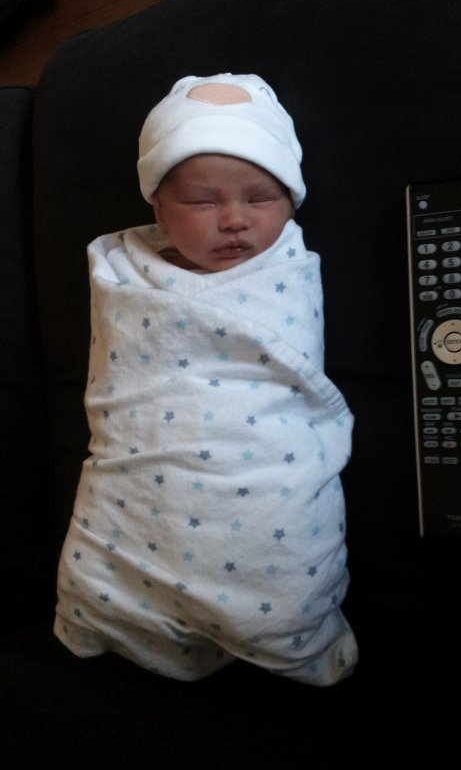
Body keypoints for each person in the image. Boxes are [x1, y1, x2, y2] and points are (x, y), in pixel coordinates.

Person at [53, 73, 358, 686]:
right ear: (159, 209)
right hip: (139, 480)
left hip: (267, 480)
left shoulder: (288, 272)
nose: (236, 220)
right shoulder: (125, 277)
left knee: (284, 573)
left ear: (292, 201)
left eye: (261, 197)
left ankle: (286, 629)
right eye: (201, 202)